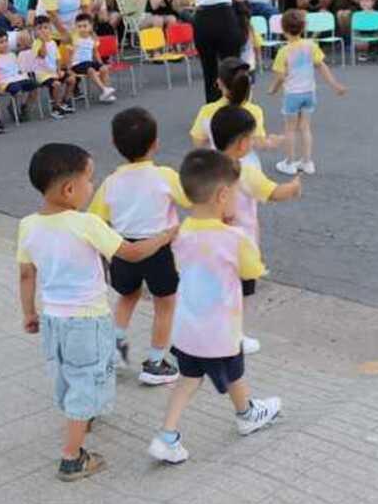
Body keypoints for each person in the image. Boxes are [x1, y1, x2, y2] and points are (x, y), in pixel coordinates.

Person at [17, 142, 176, 480]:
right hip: (87, 321)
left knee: (67, 374)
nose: (93, 187)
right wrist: (163, 238)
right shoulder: (86, 224)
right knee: (86, 380)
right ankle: (72, 456)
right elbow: (130, 253)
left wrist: (28, 313)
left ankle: (82, 418)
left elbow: (26, 273)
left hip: (53, 319)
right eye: (90, 180)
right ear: (69, 188)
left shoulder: (28, 225)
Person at [147, 149, 280, 465]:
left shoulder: (180, 232)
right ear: (222, 194)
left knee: (188, 380)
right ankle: (246, 414)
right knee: (234, 373)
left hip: (187, 330)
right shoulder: (234, 238)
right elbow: (250, 271)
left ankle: (167, 434)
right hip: (221, 331)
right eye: (236, 192)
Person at [89, 107, 190, 385]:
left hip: (122, 249)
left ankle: (116, 351)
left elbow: (95, 219)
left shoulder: (110, 182)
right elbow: (190, 200)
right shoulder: (166, 176)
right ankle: (155, 363)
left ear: (114, 144)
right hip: (158, 249)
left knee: (128, 296)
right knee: (165, 304)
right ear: (155, 142)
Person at [211, 105, 301, 356]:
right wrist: (293, 187)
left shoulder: (207, 167)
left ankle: (214, 331)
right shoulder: (245, 172)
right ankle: (234, 337)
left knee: (218, 292)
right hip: (241, 249)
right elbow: (274, 193)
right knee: (239, 295)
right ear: (241, 143)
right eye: (250, 138)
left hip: (210, 245)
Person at [270, 10, 347, 176]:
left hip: (292, 94)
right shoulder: (311, 46)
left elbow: (280, 77)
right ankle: (307, 161)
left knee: (290, 129)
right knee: (305, 127)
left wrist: (273, 89)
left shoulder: (283, 51)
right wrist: (335, 85)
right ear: (303, 28)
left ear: (283, 29)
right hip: (309, 92)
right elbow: (321, 66)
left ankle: (290, 162)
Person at [185, 0, 248, 103]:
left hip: (204, 19)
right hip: (225, 16)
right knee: (233, 65)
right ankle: (237, 104)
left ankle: (213, 108)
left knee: (209, 69)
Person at [190, 56, 281, 163]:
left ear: (219, 83)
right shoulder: (254, 111)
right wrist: (271, 142)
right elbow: (259, 143)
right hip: (248, 166)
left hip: (219, 166)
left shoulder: (207, 110)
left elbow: (198, 143)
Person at [0, 29, 38, 122]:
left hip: (17, 78)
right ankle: (13, 107)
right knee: (17, 90)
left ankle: (25, 107)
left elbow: (18, 69)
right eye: (1, 42)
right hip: (5, 82)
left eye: (6, 41)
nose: (5, 44)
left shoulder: (12, 54)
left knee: (34, 86)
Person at [31, 16, 76, 119]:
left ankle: (65, 102)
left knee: (71, 79)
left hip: (53, 71)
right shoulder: (36, 43)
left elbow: (57, 59)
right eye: (40, 28)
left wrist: (59, 70)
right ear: (35, 31)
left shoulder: (53, 43)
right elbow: (42, 54)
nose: (43, 31)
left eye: (45, 28)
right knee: (56, 84)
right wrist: (42, 41)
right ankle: (56, 107)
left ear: (50, 29)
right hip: (42, 74)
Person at [67, 14, 116, 103]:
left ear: (91, 26)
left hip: (88, 62)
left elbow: (95, 52)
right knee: (90, 70)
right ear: (76, 27)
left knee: (104, 68)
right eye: (79, 26)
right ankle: (104, 90)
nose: (82, 28)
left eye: (85, 26)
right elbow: (70, 53)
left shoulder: (92, 38)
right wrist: (69, 68)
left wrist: (101, 63)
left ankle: (106, 94)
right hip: (77, 64)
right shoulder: (74, 38)